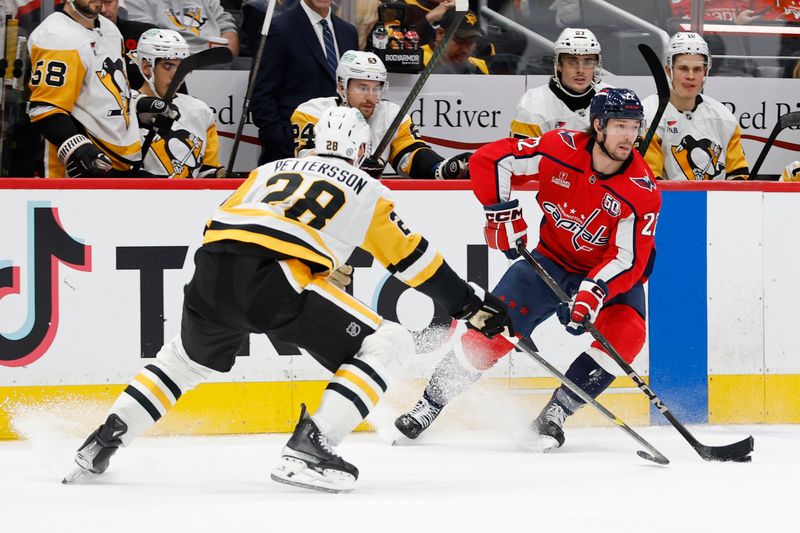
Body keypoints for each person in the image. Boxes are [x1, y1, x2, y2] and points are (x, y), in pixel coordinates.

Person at [62, 106, 512, 493]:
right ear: (359, 150)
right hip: (272, 279)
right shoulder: (366, 189)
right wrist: (467, 305)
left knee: (182, 361)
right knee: (389, 343)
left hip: (211, 269)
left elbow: (229, 225)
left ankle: (105, 438)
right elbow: (413, 259)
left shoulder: (266, 171)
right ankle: (311, 447)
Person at [395, 88, 661, 452]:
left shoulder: (642, 191)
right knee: (489, 331)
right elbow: (490, 160)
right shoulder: (559, 148)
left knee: (627, 334)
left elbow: (631, 260)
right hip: (548, 261)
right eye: (619, 126)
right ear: (597, 126)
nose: (629, 136)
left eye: (634, 126)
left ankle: (556, 413)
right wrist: (498, 211)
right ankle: (430, 403)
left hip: (608, 277)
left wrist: (594, 291)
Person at [291, 50, 470, 179]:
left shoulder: (391, 115)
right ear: (341, 86)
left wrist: (440, 168)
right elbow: (308, 164)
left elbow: (411, 155)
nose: (371, 97)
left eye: (376, 88)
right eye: (362, 88)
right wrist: (353, 171)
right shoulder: (312, 113)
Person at [27, 0, 144, 177]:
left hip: (121, 160)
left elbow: (110, 91)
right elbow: (45, 108)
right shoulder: (55, 36)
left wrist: (140, 102)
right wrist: (76, 146)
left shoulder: (110, 29)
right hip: (83, 166)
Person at [251, 0, 359, 164]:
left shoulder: (348, 32)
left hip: (342, 155)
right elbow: (261, 97)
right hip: (290, 156)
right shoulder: (279, 28)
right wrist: (286, 144)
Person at [642, 32, 749, 180]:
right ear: (669, 70)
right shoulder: (649, 113)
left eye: (697, 69)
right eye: (683, 68)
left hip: (716, 202)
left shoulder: (724, 117)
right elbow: (650, 180)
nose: (691, 76)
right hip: (669, 202)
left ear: (705, 71)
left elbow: (738, 174)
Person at [131, 29, 225, 178]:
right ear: (146, 67)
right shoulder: (125, 108)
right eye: (168, 66)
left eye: (181, 67)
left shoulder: (201, 111)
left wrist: (217, 176)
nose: (176, 75)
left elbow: (206, 170)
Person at [510, 28, 607, 140]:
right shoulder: (533, 104)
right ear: (559, 65)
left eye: (588, 61)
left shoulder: (611, 98)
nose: (580, 70)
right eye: (572, 61)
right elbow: (523, 156)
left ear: (596, 65)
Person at [123, 0, 240, 56]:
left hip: (216, 61)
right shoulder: (136, 2)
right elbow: (148, 38)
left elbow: (227, 28)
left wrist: (225, 57)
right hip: (170, 62)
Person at [99, 0, 157, 94]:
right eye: (97, 3)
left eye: (108, 2)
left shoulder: (146, 33)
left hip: (148, 105)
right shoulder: (78, 39)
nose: (103, 9)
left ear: (118, 2)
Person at [421, 9, 489, 75]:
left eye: (471, 42)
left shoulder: (479, 67)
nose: (465, 49)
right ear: (440, 34)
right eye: (460, 41)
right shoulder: (418, 61)